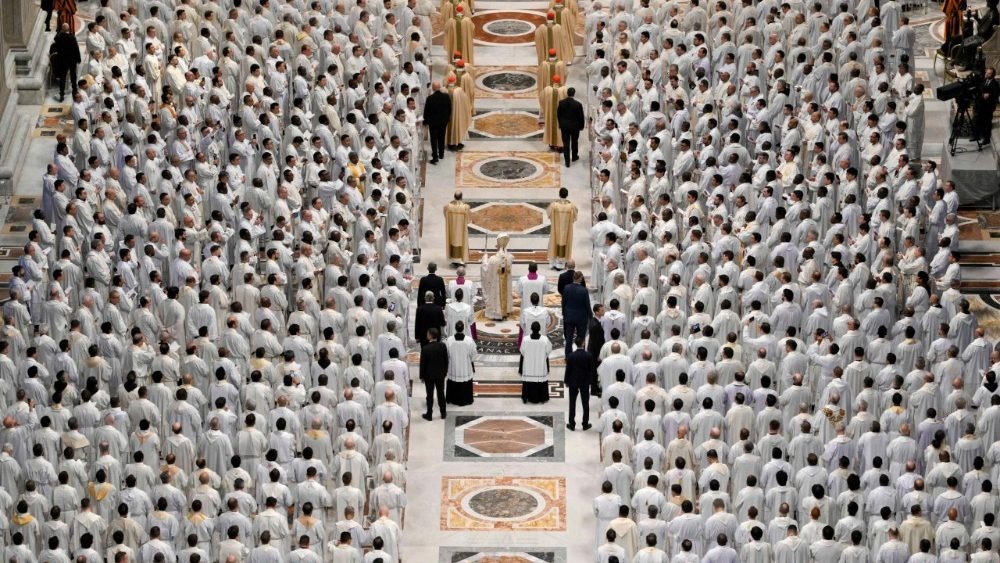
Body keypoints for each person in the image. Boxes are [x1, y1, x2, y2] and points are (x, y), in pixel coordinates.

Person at [565, 336, 594, 430]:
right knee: (585, 403)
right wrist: (591, 381)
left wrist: (566, 381)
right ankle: (585, 424)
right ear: (583, 343)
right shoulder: (589, 356)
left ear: (575, 344)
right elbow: (591, 370)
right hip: (585, 382)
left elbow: (568, 370)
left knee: (572, 403)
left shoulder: (570, 356)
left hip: (573, 382)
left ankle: (572, 424)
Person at [482, 234, 514, 320]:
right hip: (505, 283)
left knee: (496, 295)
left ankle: (496, 313)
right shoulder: (510, 257)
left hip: (495, 285)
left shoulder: (493, 259)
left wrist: (484, 258)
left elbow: (486, 269)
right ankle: (505, 311)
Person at [520, 321, 553, 404]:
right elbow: (549, 350)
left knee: (528, 381)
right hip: (540, 366)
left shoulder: (525, 339)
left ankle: (526, 397)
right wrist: (543, 356)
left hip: (529, 366)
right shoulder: (544, 340)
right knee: (541, 380)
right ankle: (542, 398)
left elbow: (522, 351)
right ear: (539, 329)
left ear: (531, 329)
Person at [419, 328, 448, 421]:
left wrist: (422, 376)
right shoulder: (442, 346)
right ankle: (443, 413)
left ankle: (429, 414)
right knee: (441, 393)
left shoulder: (425, 348)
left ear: (430, 336)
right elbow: (446, 360)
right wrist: (445, 372)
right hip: (440, 374)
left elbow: (422, 364)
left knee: (429, 395)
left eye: (428, 334)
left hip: (429, 375)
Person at [445, 321, 476, 406]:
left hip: (453, 367)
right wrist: (469, 360)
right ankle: (466, 400)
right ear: (463, 329)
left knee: (453, 381)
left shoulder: (449, 340)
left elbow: (446, 354)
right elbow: (474, 354)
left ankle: (453, 399)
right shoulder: (469, 340)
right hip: (465, 367)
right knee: (465, 383)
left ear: (455, 328)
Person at [547, 187, 579, 269]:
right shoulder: (571, 206)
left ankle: (553, 263)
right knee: (565, 242)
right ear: (567, 195)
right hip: (566, 230)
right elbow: (575, 215)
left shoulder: (554, 205)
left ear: (559, 194)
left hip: (556, 229)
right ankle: (561, 264)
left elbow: (548, 213)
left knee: (554, 241)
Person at [561, 270, 591, 355]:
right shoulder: (584, 290)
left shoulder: (566, 288)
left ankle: (568, 356)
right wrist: (591, 316)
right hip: (581, 318)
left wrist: (564, 313)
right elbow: (587, 305)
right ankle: (581, 354)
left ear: (573, 278)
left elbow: (563, 302)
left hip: (569, 316)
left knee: (569, 338)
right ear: (580, 278)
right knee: (581, 337)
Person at [50, 23, 81, 102]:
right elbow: (76, 48)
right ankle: (75, 91)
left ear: (62, 29)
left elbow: (55, 46)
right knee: (73, 76)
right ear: (69, 29)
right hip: (72, 60)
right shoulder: (72, 37)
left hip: (62, 60)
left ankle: (62, 94)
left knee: (62, 77)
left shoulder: (58, 37)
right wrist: (78, 58)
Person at [424, 82, 452, 164]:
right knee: (441, 137)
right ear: (439, 87)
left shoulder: (430, 98)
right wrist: (447, 118)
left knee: (433, 139)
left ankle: (435, 156)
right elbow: (449, 108)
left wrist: (426, 121)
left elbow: (426, 111)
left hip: (433, 123)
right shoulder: (446, 96)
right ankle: (441, 154)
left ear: (433, 88)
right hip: (443, 122)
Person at [557, 88, 586, 167]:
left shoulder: (561, 103)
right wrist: (582, 126)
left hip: (565, 126)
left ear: (567, 93)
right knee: (574, 141)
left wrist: (560, 124)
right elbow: (581, 117)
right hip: (575, 127)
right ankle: (574, 157)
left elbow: (558, 114)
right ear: (574, 93)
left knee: (566, 143)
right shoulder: (578, 104)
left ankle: (567, 162)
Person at [443, 192, 471, 266]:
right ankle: (460, 260)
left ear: (454, 197)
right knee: (461, 242)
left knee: (452, 241)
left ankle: (453, 259)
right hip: (461, 230)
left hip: (452, 228)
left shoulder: (448, 206)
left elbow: (445, 216)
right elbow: (468, 220)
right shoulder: (465, 207)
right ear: (461, 197)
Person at [975, 67, 1000, 142]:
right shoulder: (984, 80)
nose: (986, 74)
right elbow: (980, 90)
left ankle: (986, 139)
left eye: (989, 73)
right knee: (978, 120)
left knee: (987, 122)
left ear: (993, 75)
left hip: (989, 106)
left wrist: (989, 95)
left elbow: (995, 95)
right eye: (986, 72)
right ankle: (976, 136)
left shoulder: (995, 84)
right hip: (981, 105)